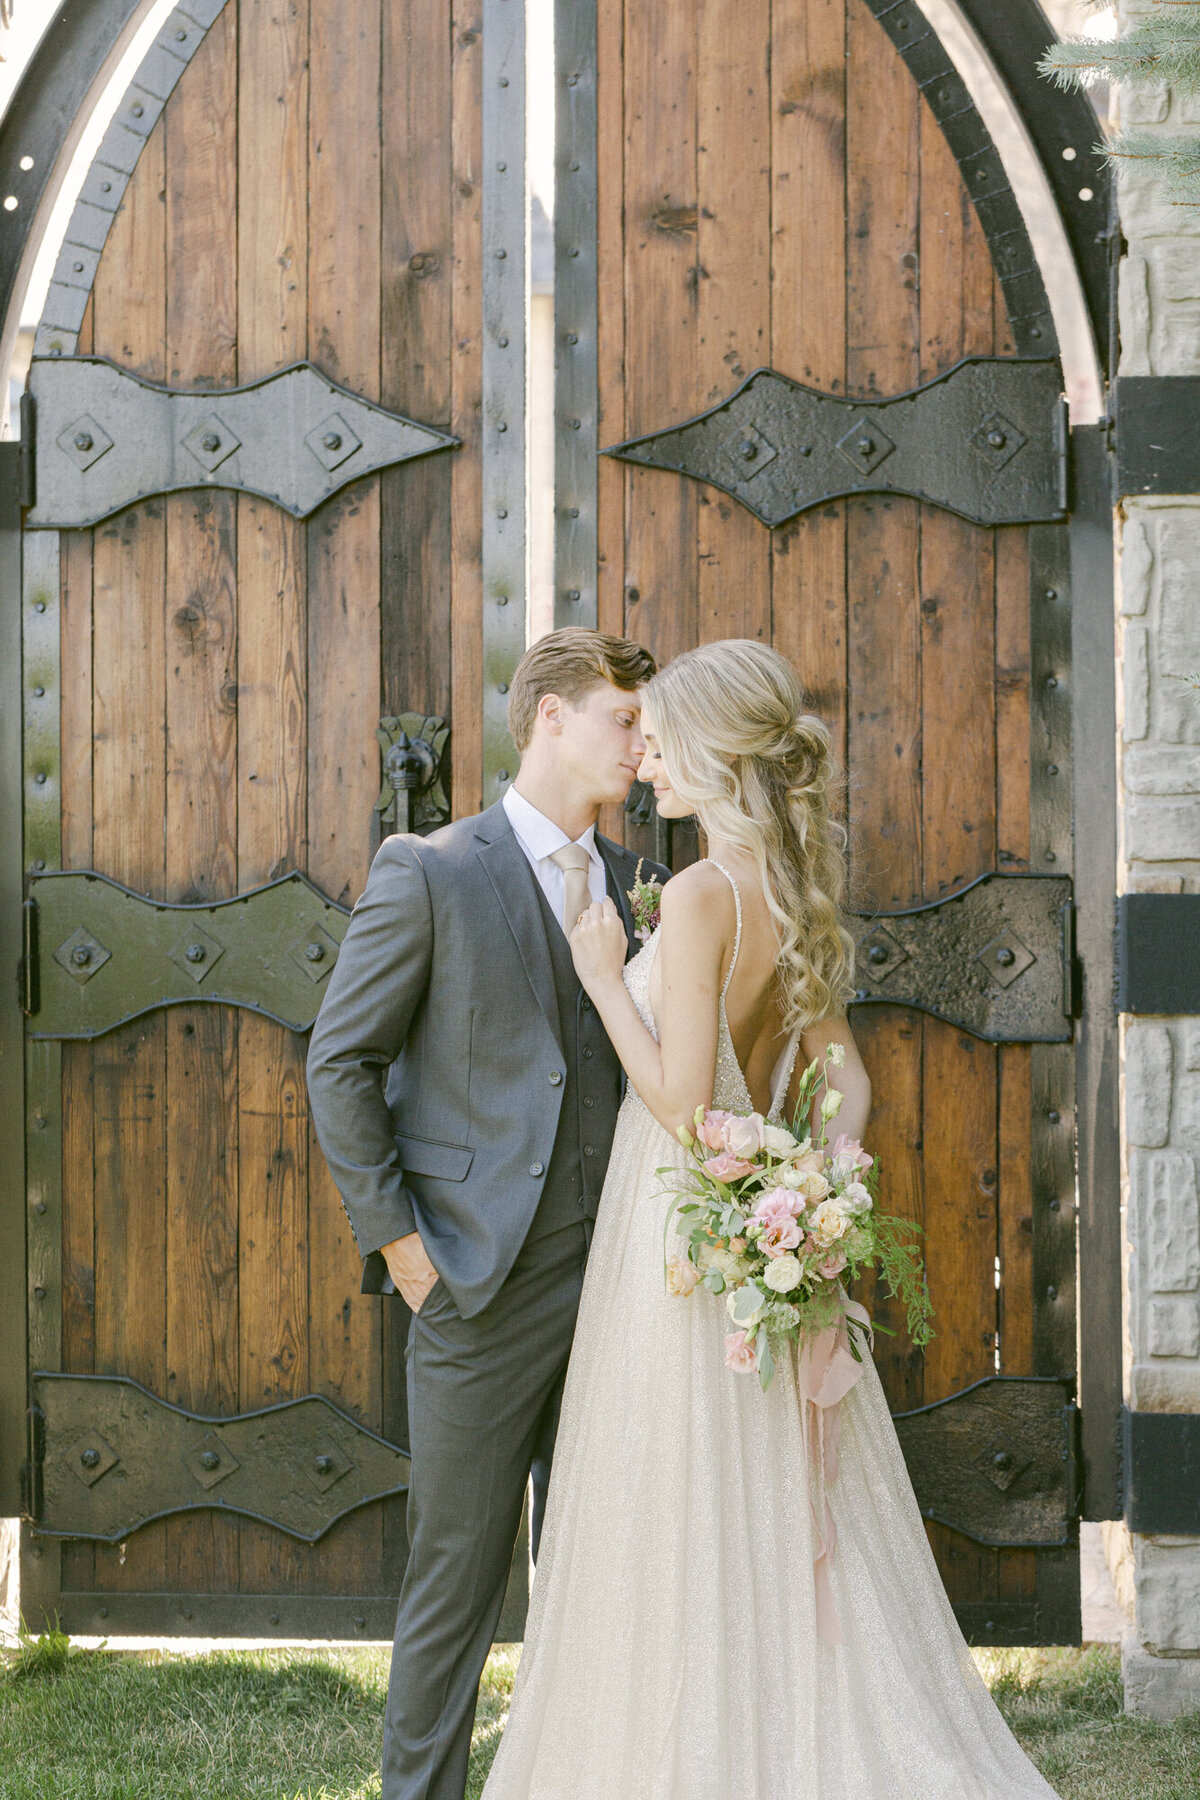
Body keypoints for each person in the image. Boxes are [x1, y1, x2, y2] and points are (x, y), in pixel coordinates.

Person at [482, 639, 1060, 1800]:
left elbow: (689, 1111)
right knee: (756, 1497)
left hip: (682, 1244)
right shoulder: (789, 894)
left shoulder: (698, 896)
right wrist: (811, 1174)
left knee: (675, 1500)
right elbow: (850, 1077)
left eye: (661, 741)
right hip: (755, 1233)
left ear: (715, 754)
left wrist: (603, 977)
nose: (644, 760)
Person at [306, 628, 671, 1800]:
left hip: (618, 1290)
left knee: (599, 1570)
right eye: (624, 717)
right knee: (455, 1578)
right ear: (551, 718)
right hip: (474, 1283)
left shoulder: (635, 882)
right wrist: (406, 1253)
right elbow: (339, 1064)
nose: (640, 740)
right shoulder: (433, 869)